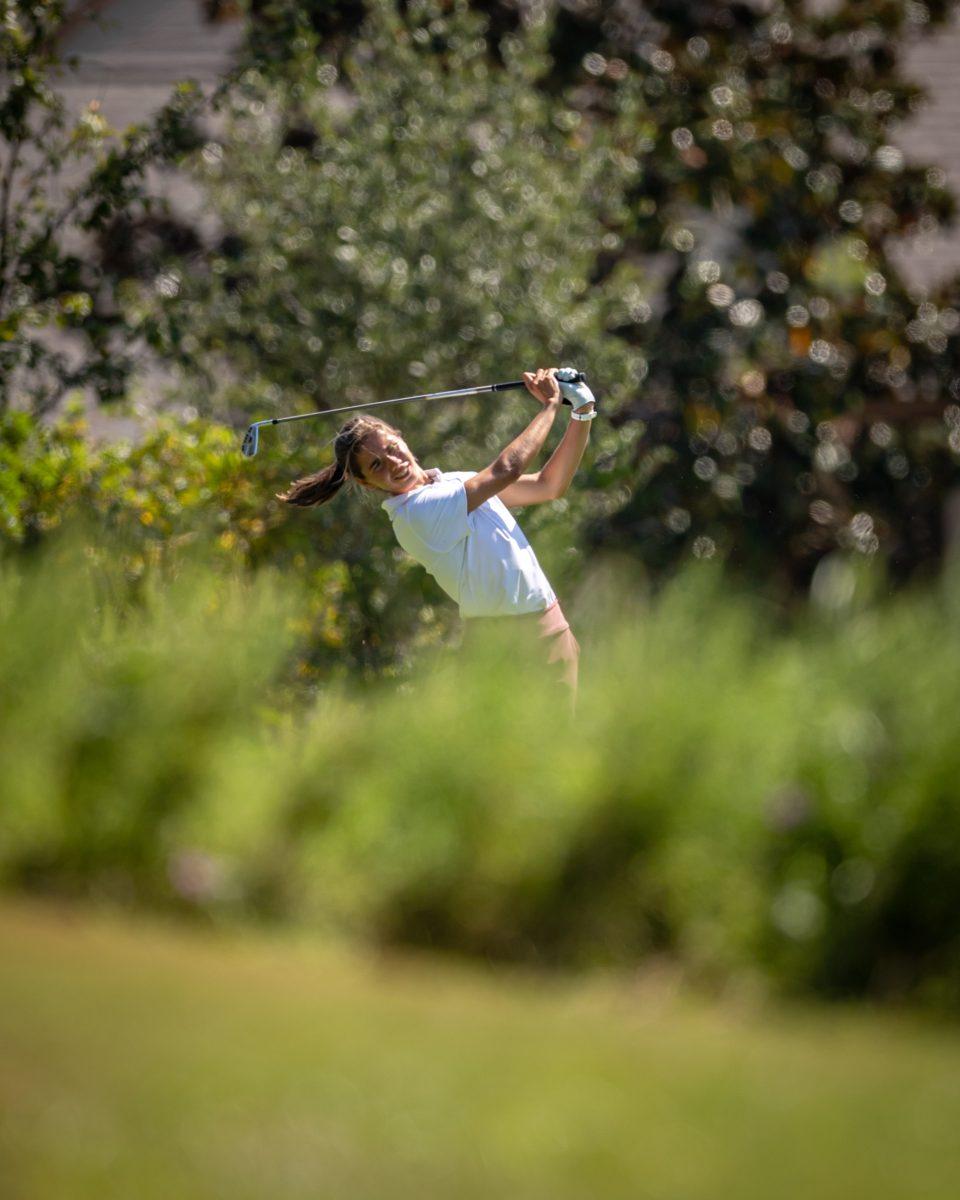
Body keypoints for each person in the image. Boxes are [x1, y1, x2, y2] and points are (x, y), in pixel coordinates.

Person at [276, 367, 597, 692]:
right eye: (376, 466)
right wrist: (550, 405)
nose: (393, 462)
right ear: (365, 483)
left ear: (400, 437)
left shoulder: (454, 482)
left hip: (548, 626)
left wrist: (582, 412)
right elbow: (507, 469)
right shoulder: (415, 513)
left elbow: (548, 486)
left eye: (390, 448)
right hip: (497, 644)